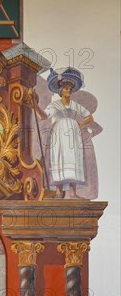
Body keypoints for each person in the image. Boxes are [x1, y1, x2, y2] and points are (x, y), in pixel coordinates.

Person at [29, 67, 94, 199]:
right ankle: (58, 192)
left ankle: (73, 193)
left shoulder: (75, 105)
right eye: (66, 88)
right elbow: (43, 116)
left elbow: (89, 117)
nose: (68, 90)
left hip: (73, 135)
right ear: (60, 90)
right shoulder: (55, 105)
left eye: (70, 88)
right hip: (58, 133)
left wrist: (76, 124)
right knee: (59, 158)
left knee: (73, 159)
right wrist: (35, 104)